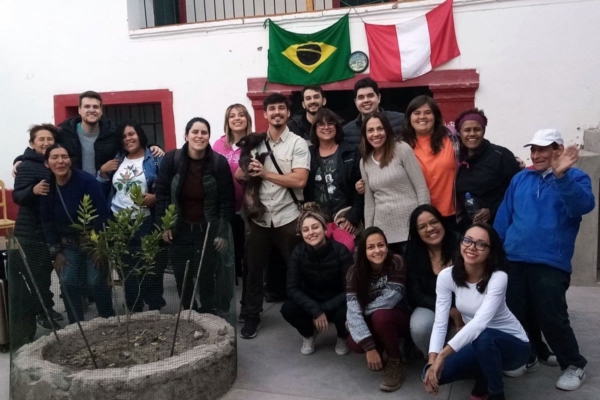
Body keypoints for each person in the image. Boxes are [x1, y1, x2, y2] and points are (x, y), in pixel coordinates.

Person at [494, 129, 594, 391]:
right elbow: (505, 216)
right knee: (517, 313)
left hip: (550, 262)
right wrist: (495, 250)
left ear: (558, 151)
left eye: (543, 149)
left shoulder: (575, 177)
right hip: (514, 259)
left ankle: (574, 364)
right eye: (533, 150)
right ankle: (530, 356)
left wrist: (561, 176)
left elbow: (582, 206)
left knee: (551, 316)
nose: (536, 155)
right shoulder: (520, 178)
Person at [423, 224, 530, 400]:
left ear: (491, 251)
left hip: (515, 346)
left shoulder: (498, 277)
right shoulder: (446, 276)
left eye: (481, 244)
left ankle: (496, 394)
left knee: (483, 337)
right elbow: (440, 322)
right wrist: (432, 361)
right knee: (431, 375)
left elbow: (480, 323)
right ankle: (483, 381)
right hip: (479, 343)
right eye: (468, 240)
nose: (471, 247)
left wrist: (443, 355)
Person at [240, 93, 310, 339]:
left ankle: (305, 315)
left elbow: (300, 179)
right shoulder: (255, 142)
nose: (277, 112)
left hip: (288, 216)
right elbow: (241, 173)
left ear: (288, 113)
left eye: (281, 108)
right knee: (253, 270)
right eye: (272, 109)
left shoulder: (298, 144)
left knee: (297, 268)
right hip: (258, 217)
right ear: (265, 114)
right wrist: (248, 172)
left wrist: (265, 174)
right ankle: (251, 316)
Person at [155, 117, 235, 315]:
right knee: (182, 275)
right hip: (179, 229)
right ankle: (190, 312)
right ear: (186, 135)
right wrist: (164, 226)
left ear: (209, 136)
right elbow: (162, 195)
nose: (199, 136)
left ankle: (208, 314)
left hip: (207, 230)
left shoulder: (218, 163)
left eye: (204, 132)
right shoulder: (171, 160)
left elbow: (226, 201)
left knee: (207, 274)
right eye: (195, 132)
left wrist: (222, 233)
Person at [39, 144, 114, 324]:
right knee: (68, 281)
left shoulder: (86, 180)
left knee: (95, 282)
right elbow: (46, 221)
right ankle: (76, 325)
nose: (60, 161)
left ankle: (107, 318)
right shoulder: (46, 187)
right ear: (47, 163)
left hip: (92, 241)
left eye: (64, 157)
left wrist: (100, 247)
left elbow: (102, 212)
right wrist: (56, 252)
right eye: (54, 157)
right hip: (67, 244)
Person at [13, 91, 164, 178]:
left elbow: (130, 144)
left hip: (105, 188)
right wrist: (21, 159)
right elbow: (45, 149)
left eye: (95, 107)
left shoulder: (112, 131)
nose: (91, 110)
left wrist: (152, 146)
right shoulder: (64, 132)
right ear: (79, 110)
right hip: (72, 187)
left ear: (101, 110)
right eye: (87, 106)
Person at [100, 122, 165, 312]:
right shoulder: (117, 160)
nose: (128, 138)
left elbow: (168, 188)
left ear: (140, 135)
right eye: (124, 136)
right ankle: (134, 308)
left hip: (144, 220)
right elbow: (102, 189)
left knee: (150, 266)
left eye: (132, 134)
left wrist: (156, 198)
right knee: (126, 269)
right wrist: (102, 173)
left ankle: (154, 307)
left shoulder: (155, 159)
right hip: (118, 221)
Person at [280, 206, 353, 355]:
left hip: (337, 300)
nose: (311, 233)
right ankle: (308, 333)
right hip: (311, 300)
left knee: (348, 308)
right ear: (301, 234)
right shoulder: (298, 252)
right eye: (306, 230)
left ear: (325, 229)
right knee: (288, 309)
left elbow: (351, 289)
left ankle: (342, 335)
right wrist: (315, 309)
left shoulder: (341, 251)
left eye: (315, 227)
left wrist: (323, 310)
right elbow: (292, 288)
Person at [11, 124, 61, 344]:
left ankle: (46, 310)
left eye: (49, 139)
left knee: (43, 275)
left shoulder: (52, 162)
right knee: (31, 276)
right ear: (32, 143)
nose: (46, 142)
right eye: (41, 139)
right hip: (29, 231)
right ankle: (38, 317)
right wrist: (33, 191)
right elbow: (18, 197)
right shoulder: (26, 166)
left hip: (48, 230)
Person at [346, 227, 410, 392]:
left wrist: (358, 316)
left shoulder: (396, 262)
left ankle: (395, 361)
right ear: (363, 251)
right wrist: (370, 348)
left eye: (381, 245)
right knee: (355, 343)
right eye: (371, 247)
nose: (377, 250)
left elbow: (390, 299)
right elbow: (352, 308)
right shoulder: (354, 273)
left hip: (398, 316)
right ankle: (383, 348)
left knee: (380, 316)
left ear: (387, 246)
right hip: (374, 318)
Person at [360, 112, 429, 254]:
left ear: (387, 129)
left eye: (380, 128)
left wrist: (424, 221)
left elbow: (421, 188)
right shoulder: (364, 162)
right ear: (365, 135)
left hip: (410, 228)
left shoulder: (402, 149)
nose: (376, 134)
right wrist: (369, 234)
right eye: (370, 130)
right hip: (383, 234)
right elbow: (369, 202)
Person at [405, 205, 461, 357]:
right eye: (422, 227)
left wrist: (458, 310)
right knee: (420, 326)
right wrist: (448, 310)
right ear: (416, 232)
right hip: (431, 306)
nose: (430, 229)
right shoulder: (412, 252)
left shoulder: (460, 244)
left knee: (459, 349)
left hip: (463, 307)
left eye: (434, 222)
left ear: (442, 222)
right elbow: (415, 294)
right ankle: (430, 358)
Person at [213, 104, 253, 314]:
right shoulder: (219, 145)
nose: (237, 119)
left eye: (241, 115)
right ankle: (224, 305)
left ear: (247, 118)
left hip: (250, 211)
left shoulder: (256, 143)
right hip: (226, 210)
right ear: (227, 121)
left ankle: (248, 307)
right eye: (232, 116)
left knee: (249, 260)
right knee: (227, 261)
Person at [454, 108, 521, 229]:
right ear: (460, 133)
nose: (472, 134)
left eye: (477, 129)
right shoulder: (456, 158)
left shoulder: (501, 155)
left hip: (498, 225)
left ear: (484, 131)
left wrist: (492, 210)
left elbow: (517, 191)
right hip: (468, 228)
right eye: (467, 130)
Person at [402, 95, 459, 230]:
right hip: (417, 215)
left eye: (428, 112)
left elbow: (475, 153)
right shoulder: (401, 145)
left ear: (435, 117)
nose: (422, 117)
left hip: (451, 213)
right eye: (417, 113)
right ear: (409, 117)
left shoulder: (453, 139)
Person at [303, 108, 363, 233]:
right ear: (314, 128)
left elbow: (360, 188)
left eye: (331, 123)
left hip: (345, 219)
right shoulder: (308, 154)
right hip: (317, 222)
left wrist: (352, 217)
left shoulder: (351, 152)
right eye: (321, 124)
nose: (326, 127)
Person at [343, 78, 404, 148]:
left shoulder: (401, 120)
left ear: (379, 98)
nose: (366, 100)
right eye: (361, 97)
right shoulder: (347, 132)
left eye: (370, 96)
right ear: (355, 102)